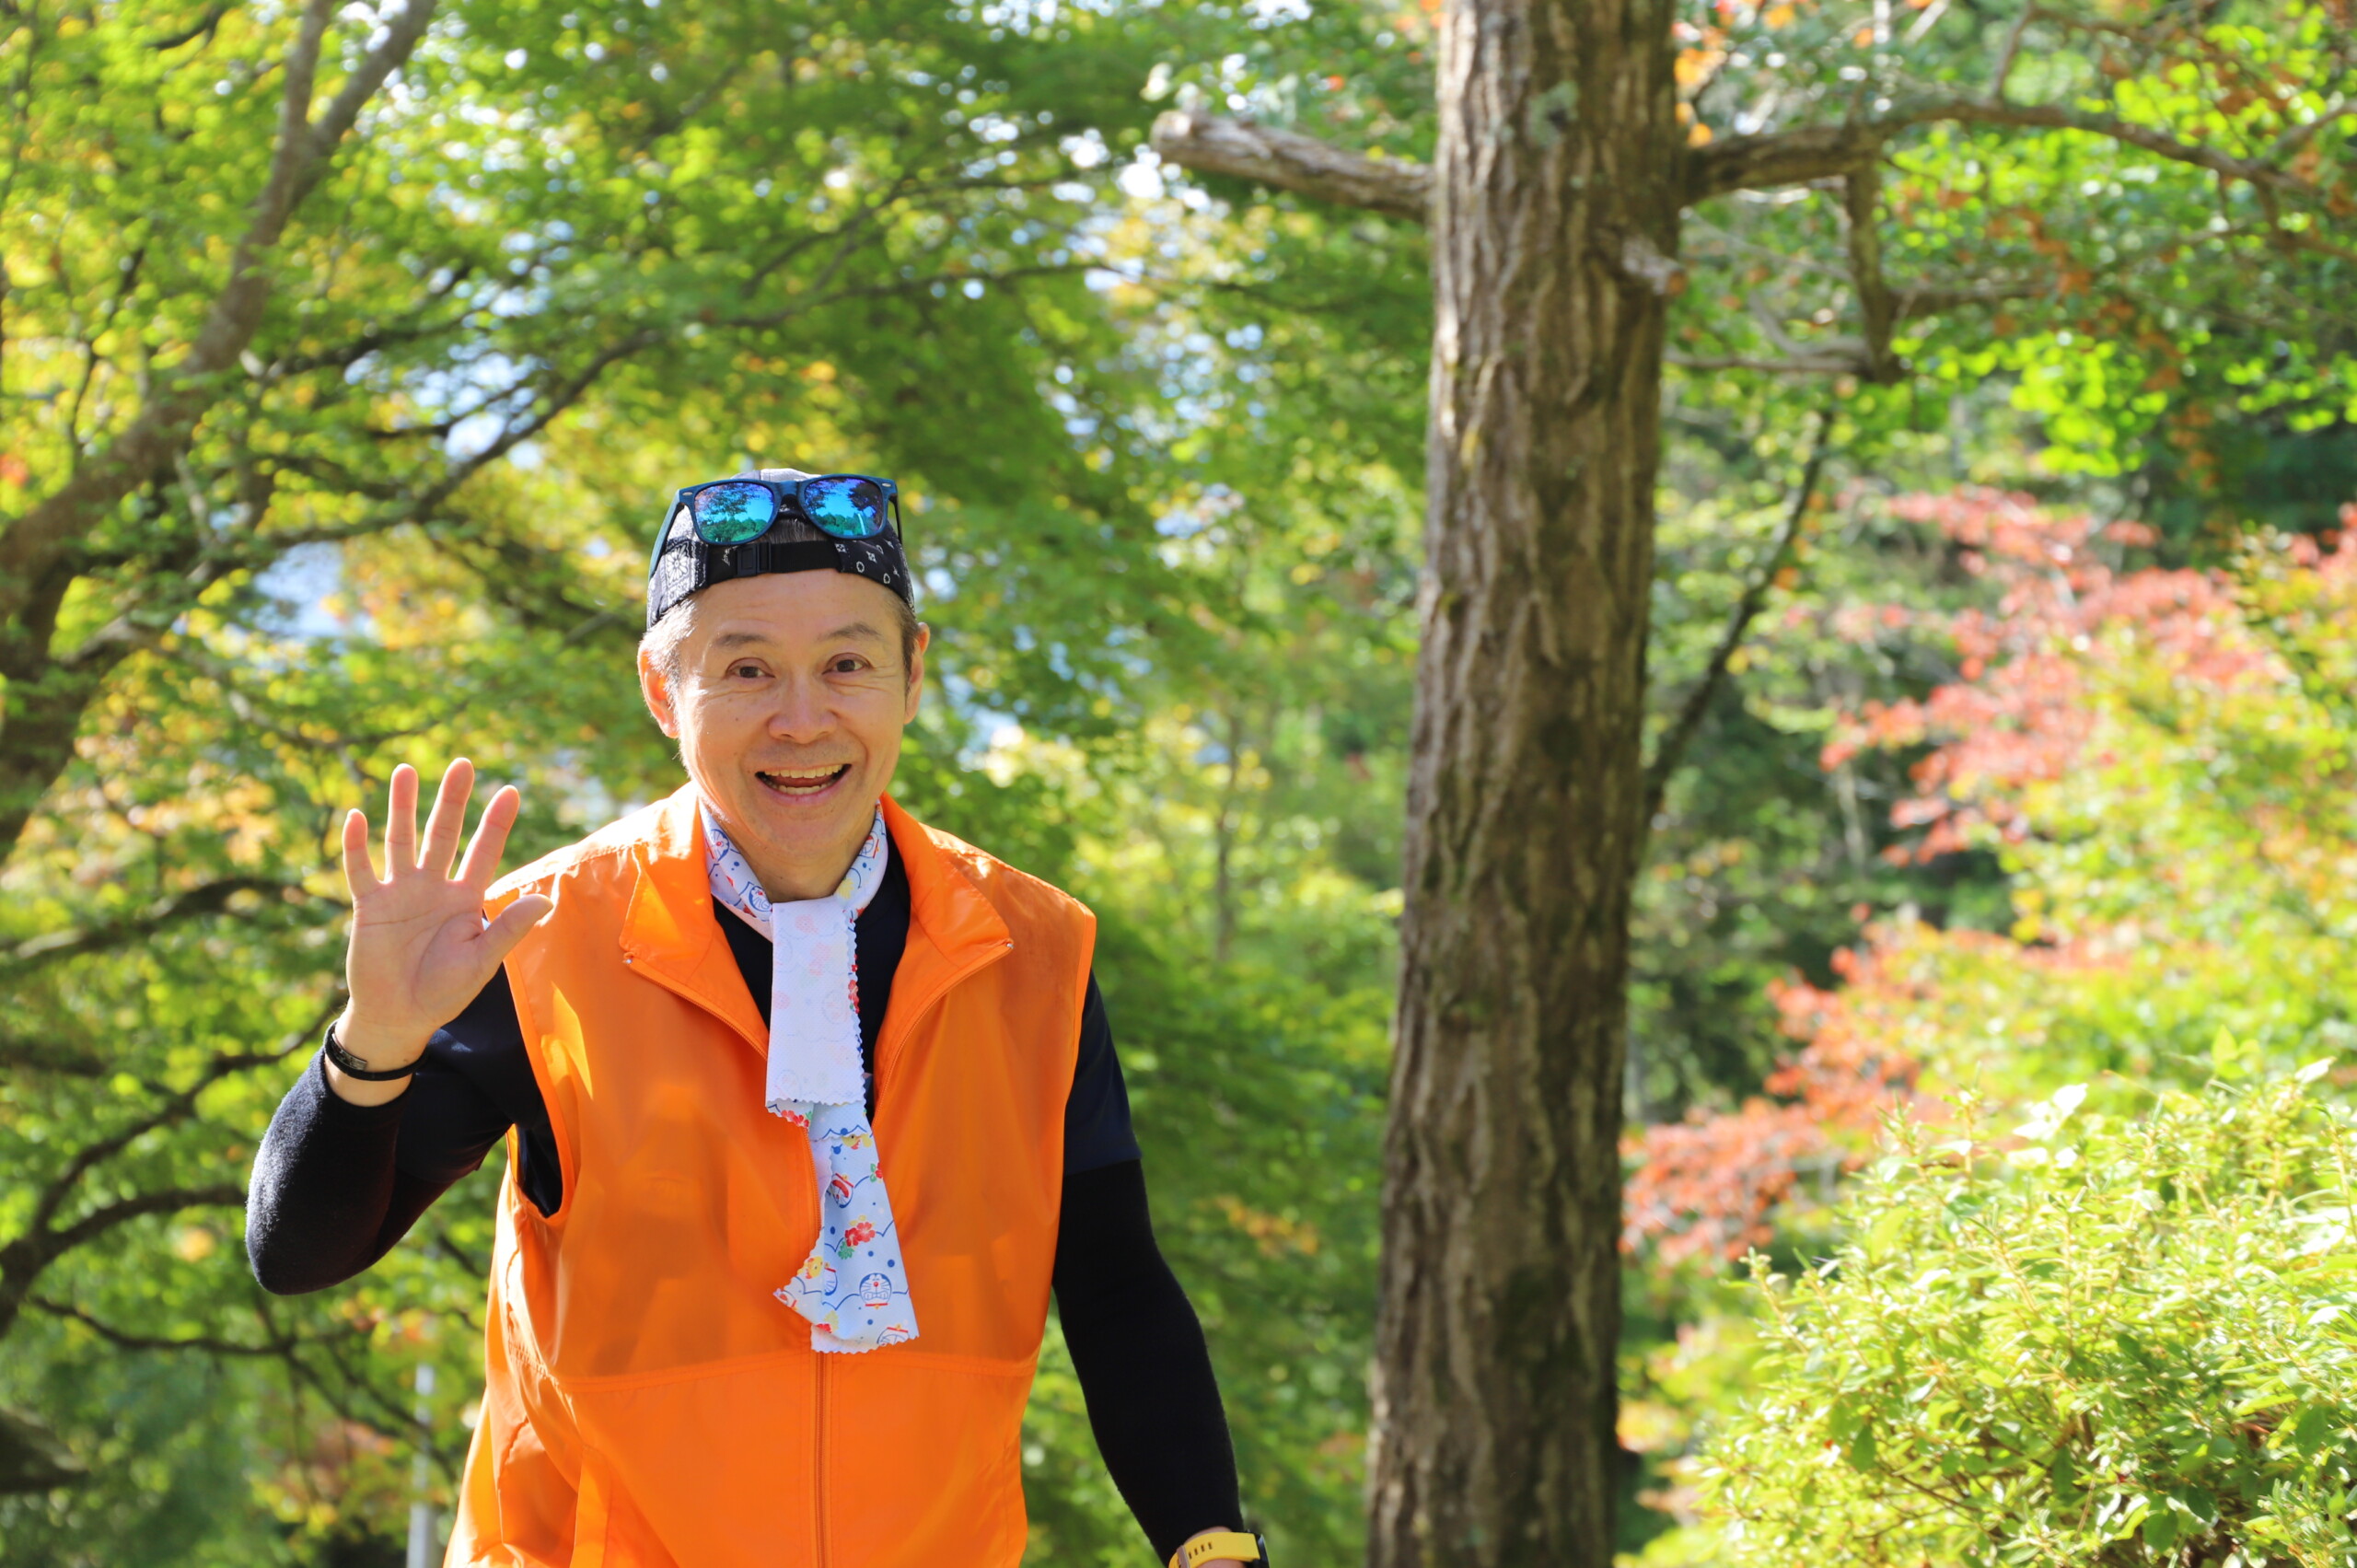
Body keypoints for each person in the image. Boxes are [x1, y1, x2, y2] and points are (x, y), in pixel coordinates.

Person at [246, 470, 1271, 1568]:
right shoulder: (534, 939)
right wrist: (377, 1041)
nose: (802, 718)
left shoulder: (1033, 951)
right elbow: (299, 1253)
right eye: (745, 669)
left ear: (912, 675)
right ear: (661, 688)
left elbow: (1115, 1284)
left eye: (847, 664)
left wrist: (1210, 1543)